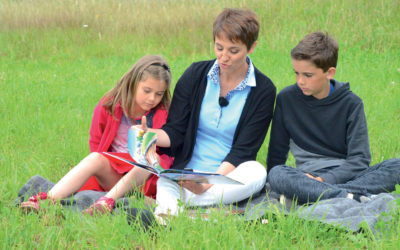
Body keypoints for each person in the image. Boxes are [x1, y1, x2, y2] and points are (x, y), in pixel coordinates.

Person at [139, 8, 276, 217]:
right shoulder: (195, 75)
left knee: (257, 172)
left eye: (233, 50)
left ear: (252, 48)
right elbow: (175, 132)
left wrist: (208, 182)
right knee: (167, 179)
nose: (224, 57)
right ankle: (198, 214)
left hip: (226, 178)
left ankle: (173, 211)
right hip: (186, 174)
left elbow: (244, 151)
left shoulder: (264, 90)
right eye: (219, 47)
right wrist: (149, 134)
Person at [20, 55, 174, 214]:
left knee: (147, 160)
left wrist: (149, 138)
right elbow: (96, 142)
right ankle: (46, 201)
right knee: (95, 158)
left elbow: (166, 159)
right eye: (147, 91)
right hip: (114, 175)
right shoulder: (110, 105)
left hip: (142, 182)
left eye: (159, 94)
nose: (152, 98)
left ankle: (106, 201)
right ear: (133, 83)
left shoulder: (162, 114)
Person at [267, 31, 400, 204]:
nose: (300, 81)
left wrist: (323, 182)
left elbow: (359, 160)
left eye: (308, 75)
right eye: (296, 73)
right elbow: (276, 155)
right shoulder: (286, 99)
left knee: (397, 165)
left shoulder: (352, 103)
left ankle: (325, 195)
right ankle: (353, 197)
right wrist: (276, 183)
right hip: (305, 177)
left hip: (348, 178)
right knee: (277, 173)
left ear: (330, 72)